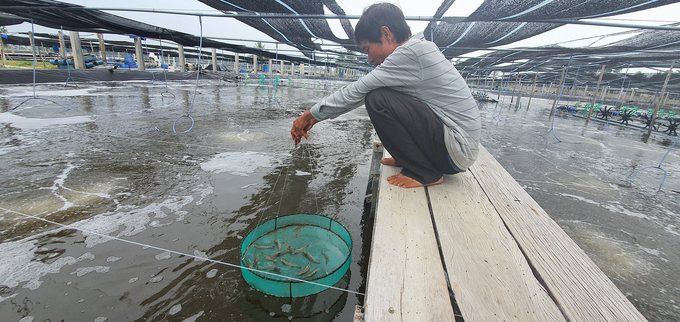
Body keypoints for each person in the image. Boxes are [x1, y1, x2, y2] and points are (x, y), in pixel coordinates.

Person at [291, 2, 480, 188]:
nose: (370, 59)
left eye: (367, 49)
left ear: (386, 33)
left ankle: (425, 172)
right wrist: (316, 118)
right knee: (382, 94)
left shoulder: (410, 53)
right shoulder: (419, 49)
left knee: (377, 99)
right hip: (458, 150)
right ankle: (410, 159)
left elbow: (356, 91)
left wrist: (307, 116)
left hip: (455, 151)